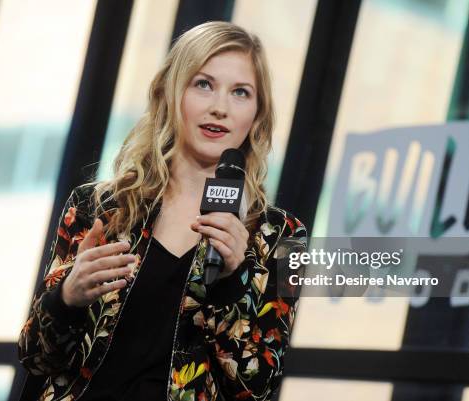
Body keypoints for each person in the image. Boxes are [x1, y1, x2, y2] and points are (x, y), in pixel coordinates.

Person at [18, 21, 307, 401]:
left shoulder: (283, 236)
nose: (219, 108)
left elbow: (257, 388)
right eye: (203, 84)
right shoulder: (98, 208)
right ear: (171, 93)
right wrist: (68, 297)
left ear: (257, 113)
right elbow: (34, 357)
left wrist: (234, 282)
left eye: (240, 92)